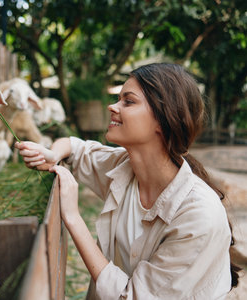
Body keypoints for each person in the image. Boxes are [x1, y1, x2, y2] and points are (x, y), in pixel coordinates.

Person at [15, 63, 239, 299]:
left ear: (162, 121)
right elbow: (75, 147)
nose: (112, 106)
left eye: (128, 101)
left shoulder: (199, 215)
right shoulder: (124, 166)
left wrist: (72, 217)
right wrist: (52, 154)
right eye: (118, 98)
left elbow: (131, 296)